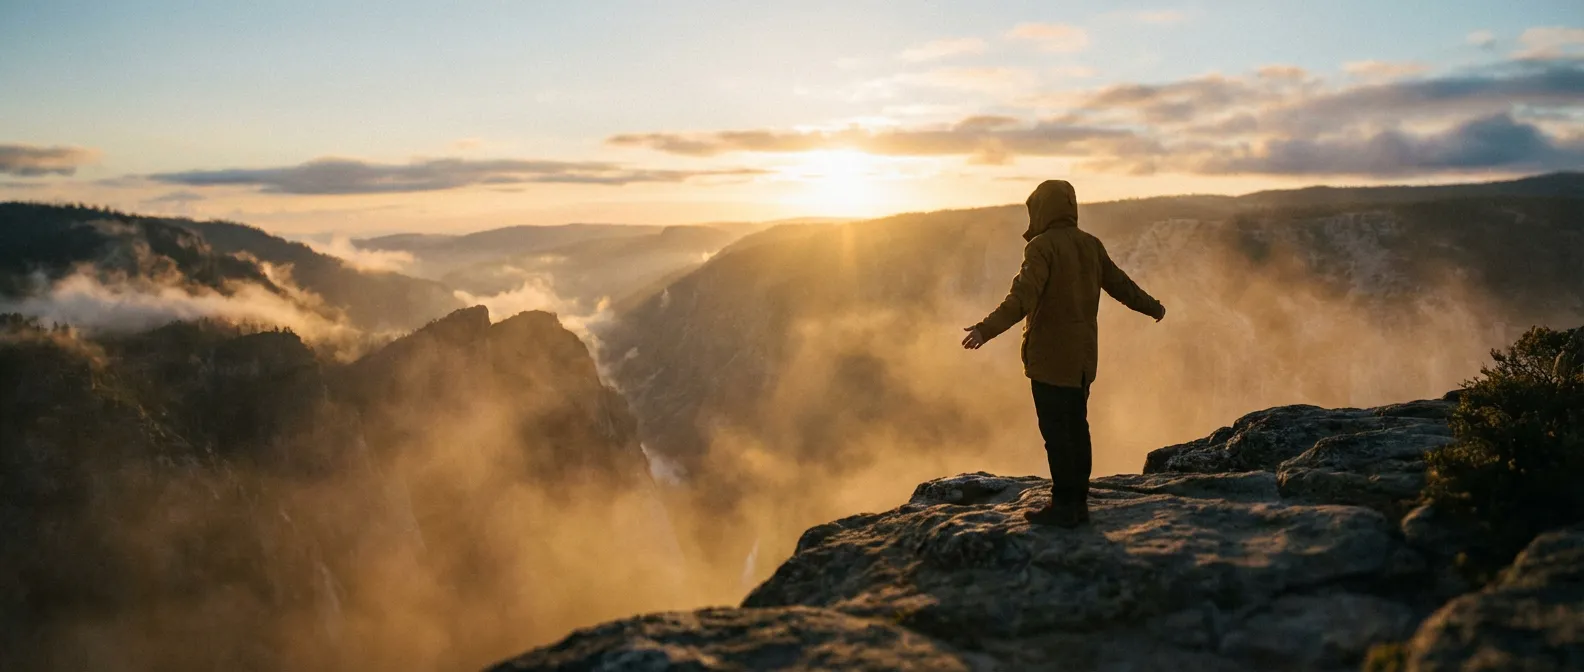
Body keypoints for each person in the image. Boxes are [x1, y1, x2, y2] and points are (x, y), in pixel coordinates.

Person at [961, 180, 1164, 528]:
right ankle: (1078, 504)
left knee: (1057, 436)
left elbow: (1022, 298)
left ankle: (1064, 507)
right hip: (1083, 360)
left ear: (1041, 209)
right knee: (1078, 430)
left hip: (1050, 360)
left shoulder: (1042, 247)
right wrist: (1153, 307)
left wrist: (985, 329)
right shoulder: (1091, 245)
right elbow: (1122, 286)